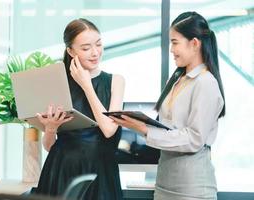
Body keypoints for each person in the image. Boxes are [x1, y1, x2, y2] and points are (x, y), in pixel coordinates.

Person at [111, 11, 225, 200]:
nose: (171, 49)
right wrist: (140, 125)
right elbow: (167, 128)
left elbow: (194, 139)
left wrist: (144, 129)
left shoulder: (206, 83)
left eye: (175, 42)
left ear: (194, 43)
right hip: (165, 182)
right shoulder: (177, 80)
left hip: (192, 188)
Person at [32, 18, 125, 200]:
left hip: (101, 172)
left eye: (98, 45)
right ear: (70, 51)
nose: (95, 53)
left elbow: (108, 130)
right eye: (86, 48)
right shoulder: (58, 83)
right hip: (62, 170)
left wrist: (86, 85)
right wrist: (50, 128)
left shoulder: (116, 81)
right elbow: (50, 146)